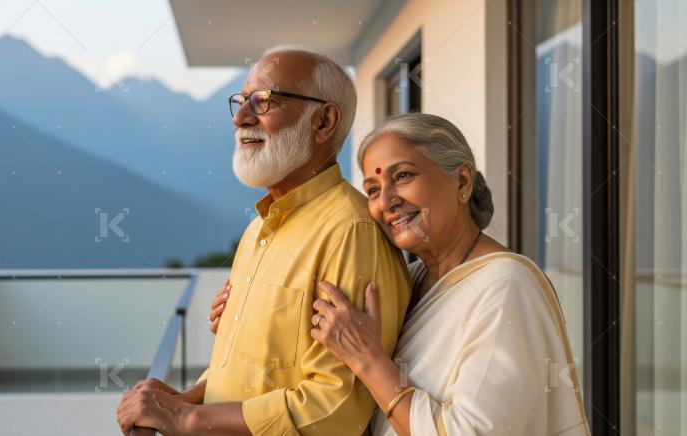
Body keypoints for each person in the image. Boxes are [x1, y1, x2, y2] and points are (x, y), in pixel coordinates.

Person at [212, 113, 590, 435]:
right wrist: (247, 318)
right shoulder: (409, 280)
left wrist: (369, 360)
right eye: (373, 188)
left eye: (404, 175)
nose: (385, 202)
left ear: (461, 182)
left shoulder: (506, 286)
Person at [117, 46, 411, 435]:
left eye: (263, 101)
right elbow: (258, 373)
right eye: (240, 101)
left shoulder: (350, 233)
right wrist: (189, 396)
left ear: (324, 121)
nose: (241, 117)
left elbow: (336, 409)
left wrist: (185, 418)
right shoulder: (260, 227)